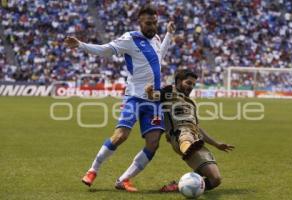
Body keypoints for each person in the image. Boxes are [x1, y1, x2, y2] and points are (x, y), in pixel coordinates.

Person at [64, 5, 175, 192]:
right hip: (134, 97)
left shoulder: (156, 38)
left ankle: (124, 179)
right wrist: (81, 45)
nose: (152, 26)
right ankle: (93, 169)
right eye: (148, 23)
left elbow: (159, 56)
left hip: (154, 99)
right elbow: (106, 50)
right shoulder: (130, 38)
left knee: (153, 142)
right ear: (139, 22)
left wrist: (168, 35)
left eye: (155, 22)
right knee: (121, 135)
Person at [146, 69, 234, 192]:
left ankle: (177, 186)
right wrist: (149, 91)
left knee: (215, 179)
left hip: (196, 138)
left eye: (193, 84)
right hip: (178, 134)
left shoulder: (192, 102)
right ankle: (187, 148)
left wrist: (216, 144)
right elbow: (153, 96)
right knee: (186, 135)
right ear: (178, 81)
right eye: (188, 83)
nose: (191, 87)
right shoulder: (169, 91)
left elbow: (197, 127)